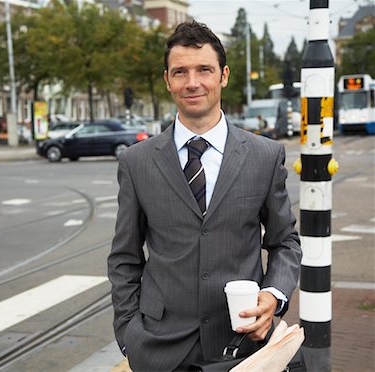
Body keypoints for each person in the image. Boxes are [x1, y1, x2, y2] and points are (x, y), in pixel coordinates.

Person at [107, 20, 301, 372]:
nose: (192, 82)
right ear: (167, 80)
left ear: (223, 76)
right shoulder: (135, 162)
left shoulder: (264, 155)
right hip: (158, 350)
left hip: (242, 344)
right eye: (180, 71)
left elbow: (285, 241)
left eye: (204, 70)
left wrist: (273, 295)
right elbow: (124, 257)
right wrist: (128, 334)